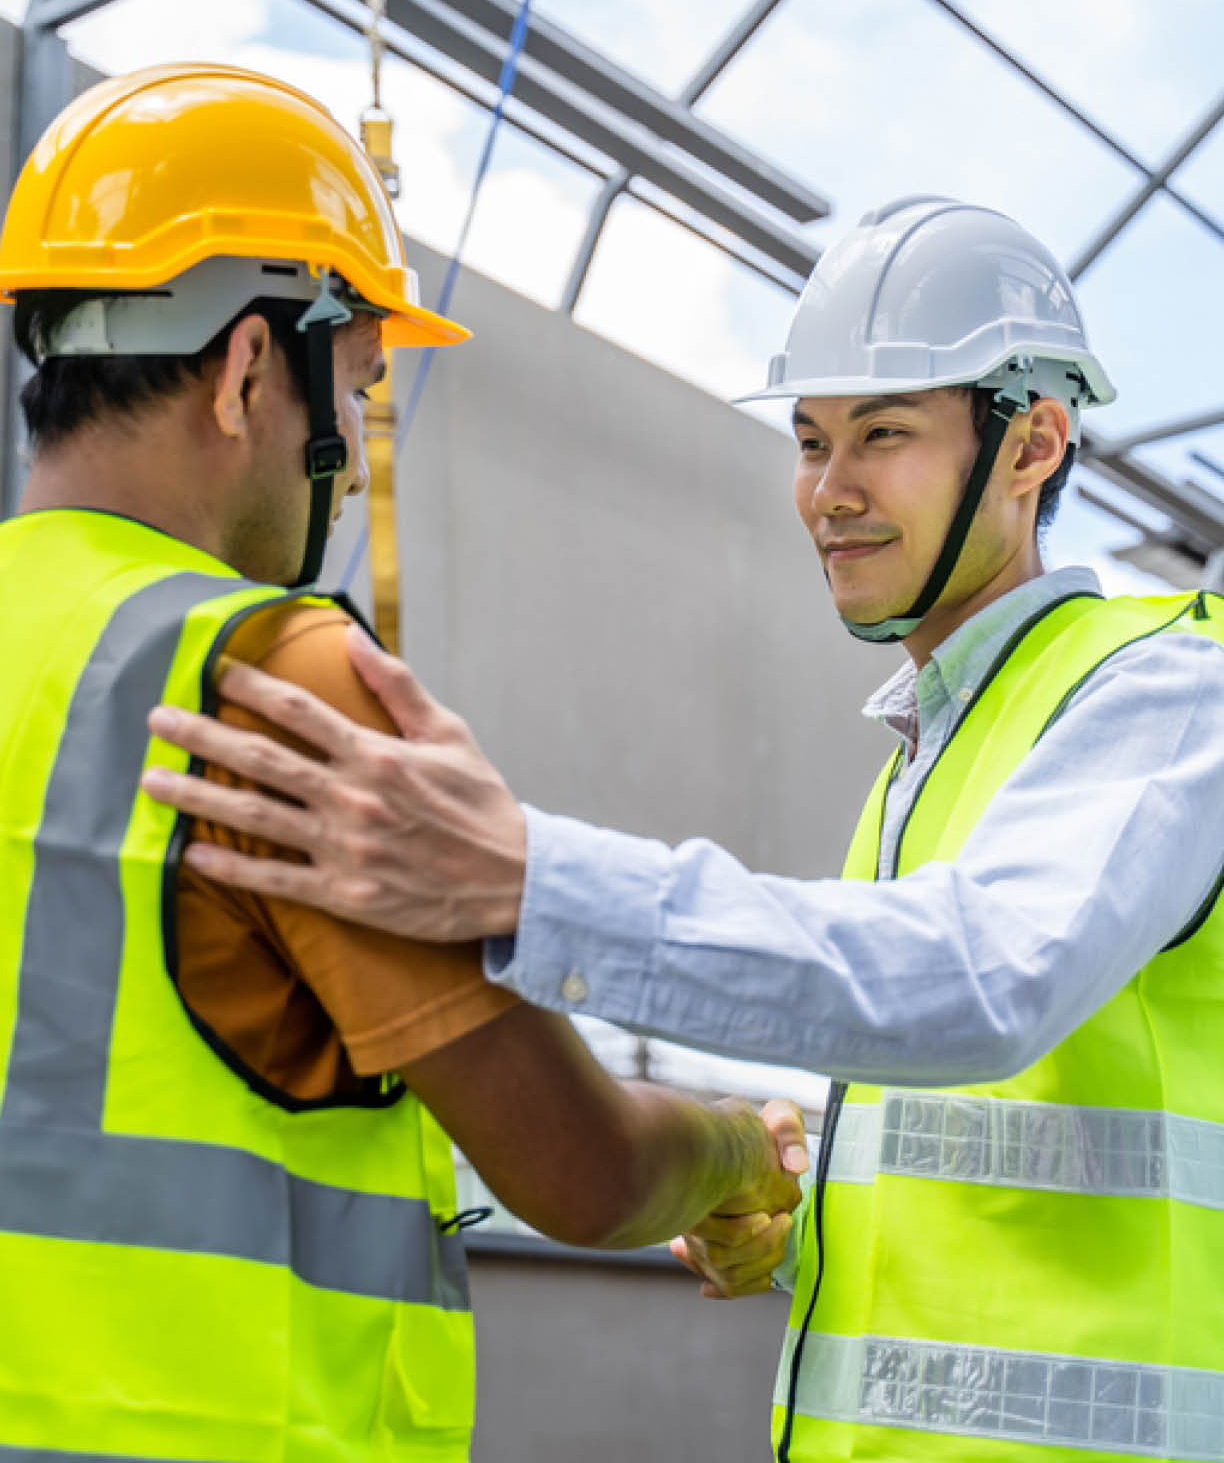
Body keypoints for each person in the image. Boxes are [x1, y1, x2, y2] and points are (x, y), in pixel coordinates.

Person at [143, 196, 1224, 1463]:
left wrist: (525, 878)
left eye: (884, 435)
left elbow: (981, 982)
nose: (830, 491)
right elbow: (1008, 1177)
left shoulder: (1167, 688)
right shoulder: (926, 760)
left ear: (1032, 444)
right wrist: (801, 1219)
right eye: (812, 440)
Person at [0, 62, 806, 1462]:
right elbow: (584, 1169)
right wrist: (742, 1149)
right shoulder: (269, 684)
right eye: (358, 396)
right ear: (253, 368)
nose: (358, 468)